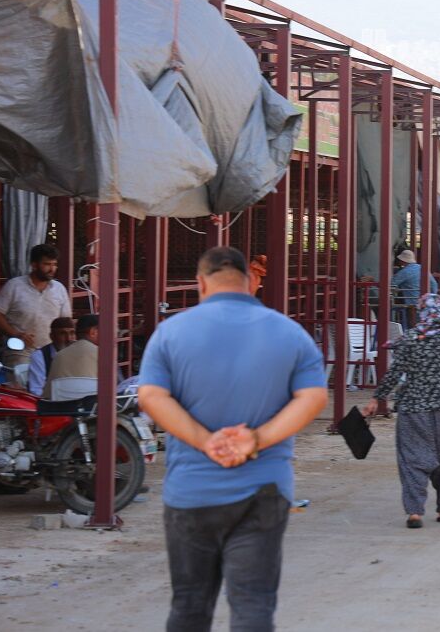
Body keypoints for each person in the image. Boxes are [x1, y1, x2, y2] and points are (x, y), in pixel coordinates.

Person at [137, 247, 328, 631]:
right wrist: (255, 439)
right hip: (263, 490)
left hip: (192, 491)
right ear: (250, 281)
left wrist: (205, 441)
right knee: (253, 606)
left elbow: (152, 396)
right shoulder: (290, 333)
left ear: (201, 282)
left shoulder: (170, 333)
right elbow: (313, 397)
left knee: (189, 606)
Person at [364, 293, 440, 527]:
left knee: (411, 458)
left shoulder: (410, 339)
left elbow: (395, 372)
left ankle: (414, 512)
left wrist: (377, 398)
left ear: (421, 312)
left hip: (413, 408)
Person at [0, 243, 72, 385]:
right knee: (20, 390)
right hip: (20, 350)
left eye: (54, 264)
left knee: (49, 391)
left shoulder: (59, 289)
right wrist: (16, 334)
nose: (52, 269)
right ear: (34, 265)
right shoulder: (14, 286)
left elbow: (65, 321)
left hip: (50, 351)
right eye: (47, 264)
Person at [43, 314, 100, 400]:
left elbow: (48, 395)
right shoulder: (104, 355)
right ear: (93, 332)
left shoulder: (59, 355)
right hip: (93, 407)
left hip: (63, 406)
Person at [26, 317, 75, 397]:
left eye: (72, 333)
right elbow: (36, 390)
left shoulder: (79, 354)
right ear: (52, 336)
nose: (69, 339)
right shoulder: (40, 356)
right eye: (63, 333)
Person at [391, 250, 437, 327]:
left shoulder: (404, 272)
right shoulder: (422, 268)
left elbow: (391, 283)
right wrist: (431, 298)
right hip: (425, 302)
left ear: (402, 261)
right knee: (423, 324)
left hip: (412, 303)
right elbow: (434, 284)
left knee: (412, 324)